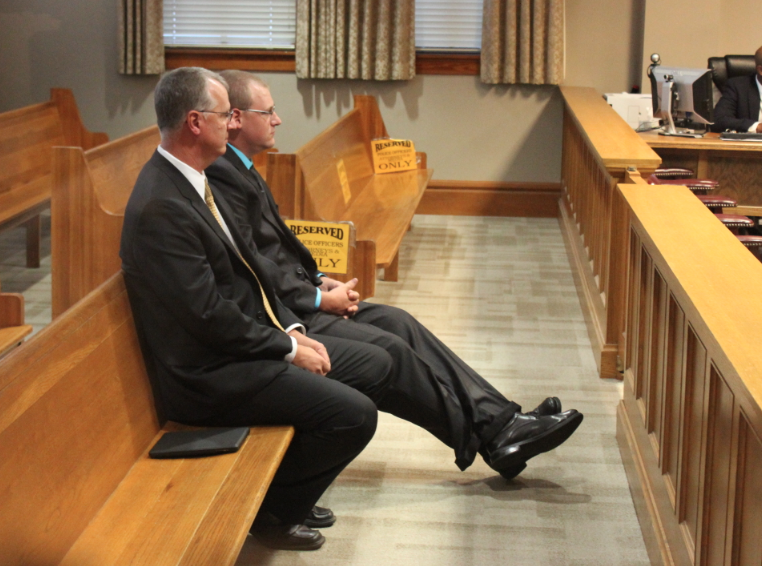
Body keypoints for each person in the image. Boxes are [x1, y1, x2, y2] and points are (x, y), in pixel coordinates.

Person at [206, 70, 584, 481]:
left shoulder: (242, 166)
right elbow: (253, 263)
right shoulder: (224, 172)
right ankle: (495, 433)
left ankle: (500, 420)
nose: (278, 119)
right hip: (286, 315)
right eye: (270, 111)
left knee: (401, 322)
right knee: (392, 351)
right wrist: (316, 300)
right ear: (238, 118)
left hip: (298, 297)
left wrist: (319, 280)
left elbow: (274, 246)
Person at [120, 67, 400, 551]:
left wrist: (292, 325)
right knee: (355, 415)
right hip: (205, 376)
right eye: (225, 115)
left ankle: (291, 490)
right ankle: (274, 512)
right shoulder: (162, 205)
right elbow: (207, 313)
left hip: (234, 347)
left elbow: (249, 270)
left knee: (375, 364)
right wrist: (287, 348)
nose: (232, 124)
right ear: (193, 122)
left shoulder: (194, 179)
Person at [712, 43, 762, 133]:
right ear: (761, 70)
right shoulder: (738, 87)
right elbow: (718, 120)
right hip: (747, 145)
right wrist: (758, 127)